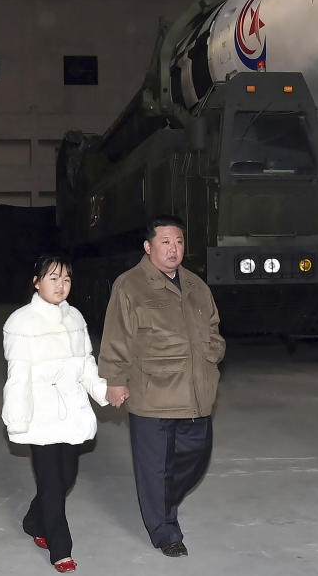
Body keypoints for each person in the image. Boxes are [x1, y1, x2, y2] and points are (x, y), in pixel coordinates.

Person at [98, 215, 226, 558]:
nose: (174, 249)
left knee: (195, 458)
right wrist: (114, 380)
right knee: (154, 467)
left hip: (197, 392)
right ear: (148, 246)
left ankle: (160, 500)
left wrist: (214, 350)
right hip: (152, 391)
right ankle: (165, 531)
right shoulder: (130, 285)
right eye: (166, 242)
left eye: (179, 242)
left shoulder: (197, 285)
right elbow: (116, 336)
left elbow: (213, 325)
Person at [2, 255, 108, 573]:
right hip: (41, 412)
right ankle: (60, 549)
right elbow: (17, 377)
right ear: (36, 282)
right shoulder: (21, 323)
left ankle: (34, 521)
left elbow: (86, 363)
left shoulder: (75, 317)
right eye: (53, 278)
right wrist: (17, 417)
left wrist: (103, 391)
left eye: (66, 279)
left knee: (67, 478)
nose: (61, 285)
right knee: (51, 483)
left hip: (71, 410)